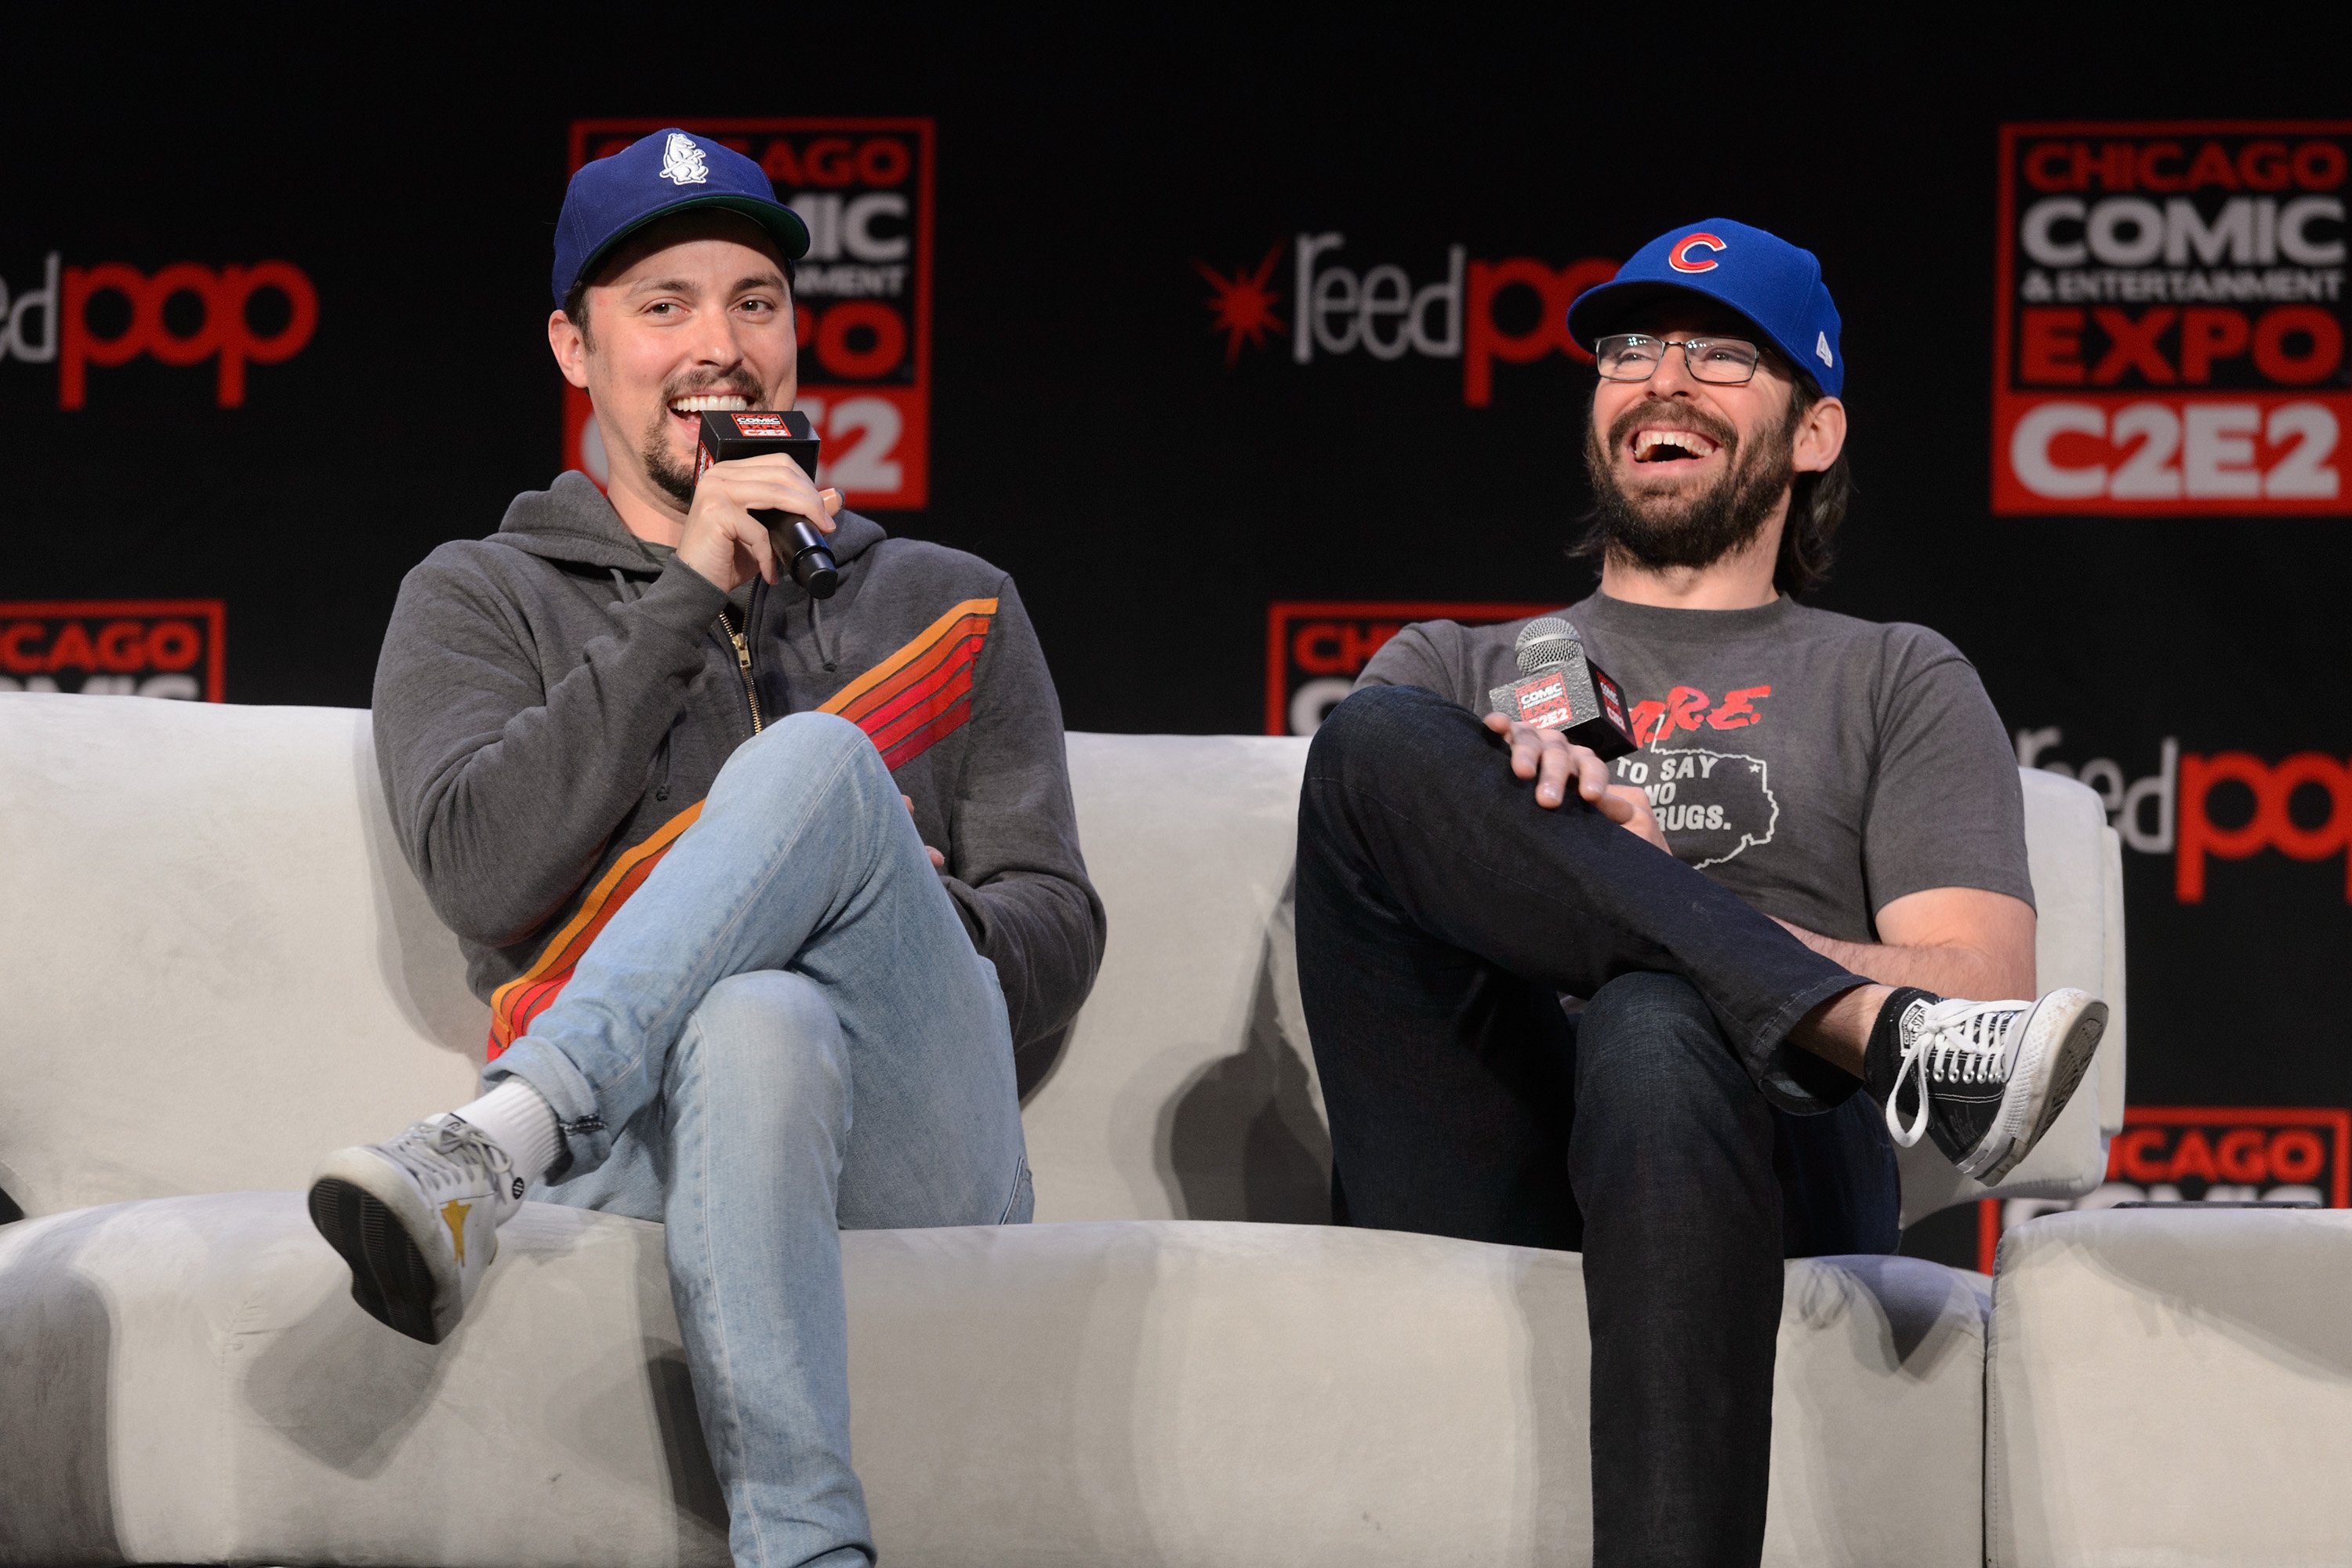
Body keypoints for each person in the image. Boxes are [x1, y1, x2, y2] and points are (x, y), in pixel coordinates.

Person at [305, 129, 1104, 1568]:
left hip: (923, 1139)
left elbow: (1056, 920)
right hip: (643, 1153)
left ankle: (499, 1136)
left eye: (754, 301)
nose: (718, 345)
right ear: (574, 346)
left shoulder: (950, 599)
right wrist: (685, 594)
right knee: (755, 1014)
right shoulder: (477, 596)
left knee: (820, 765)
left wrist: (921, 912)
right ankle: (805, 1548)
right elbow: (483, 870)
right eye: (661, 305)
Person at [1294, 218, 2106, 1568]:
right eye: (1629, 348)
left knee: (1660, 1017)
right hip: (1482, 1135)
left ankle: (1758, 1003)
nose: (1660, 379)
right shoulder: (1450, 670)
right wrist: (1534, 827)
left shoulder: (1896, 676)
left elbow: (1979, 998)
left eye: (1721, 356)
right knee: (1369, 745)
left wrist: (1654, 907)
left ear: (1814, 432)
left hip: (1757, 1146)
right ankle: (1844, 1020)